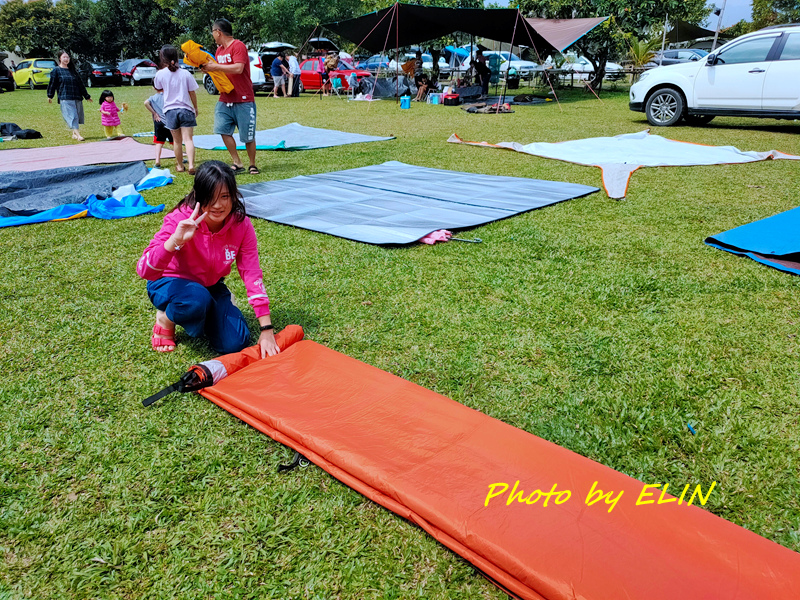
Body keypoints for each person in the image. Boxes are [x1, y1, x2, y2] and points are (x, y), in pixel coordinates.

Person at [137, 160, 279, 357]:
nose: (218, 205)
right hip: (168, 282)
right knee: (195, 301)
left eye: (225, 197)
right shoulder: (180, 219)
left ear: (233, 196)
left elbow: (252, 273)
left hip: (209, 286)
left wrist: (267, 329)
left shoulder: (242, 225)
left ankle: (209, 308)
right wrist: (175, 240)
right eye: (210, 197)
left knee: (234, 342)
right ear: (198, 195)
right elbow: (145, 271)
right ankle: (165, 319)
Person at [200, 18, 259, 175]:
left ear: (218, 32)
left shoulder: (238, 46)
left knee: (248, 136)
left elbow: (239, 68)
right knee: (222, 130)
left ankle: (252, 164)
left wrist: (216, 66)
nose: (213, 35)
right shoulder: (219, 51)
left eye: (213, 32)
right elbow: (219, 70)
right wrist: (209, 69)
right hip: (225, 98)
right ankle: (237, 162)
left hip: (244, 99)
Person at [154, 45, 199, 174]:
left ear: (163, 58)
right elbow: (192, 93)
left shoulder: (160, 74)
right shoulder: (186, 73)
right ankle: (191, 165)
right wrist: (195, 107)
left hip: (170, 111)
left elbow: (158, 88)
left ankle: (180, 166)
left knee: (177, 141)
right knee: (188, 139)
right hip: (186, 109)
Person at [46, 50, 92, 141]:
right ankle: (78, 135)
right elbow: (52, 84)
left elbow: (80, 84)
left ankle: (74, 134)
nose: (66, 59)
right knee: (72, 115)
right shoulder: (56, 70)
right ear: (60, 58)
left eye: (67, 57)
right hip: (65, 97)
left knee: (77, 115)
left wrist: (86, 96)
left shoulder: (73, 71)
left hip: (76, 96)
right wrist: (50, 95)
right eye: (64, 57)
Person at [144, 90, 173, 168]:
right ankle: (180, 158)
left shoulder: (153, 98)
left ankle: (157, 161)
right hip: (170, 122)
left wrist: (154, 113)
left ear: (153, 87)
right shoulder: (169, 96)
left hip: (159, 122)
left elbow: (146, 103)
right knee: (176, 142)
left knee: (159, 142)